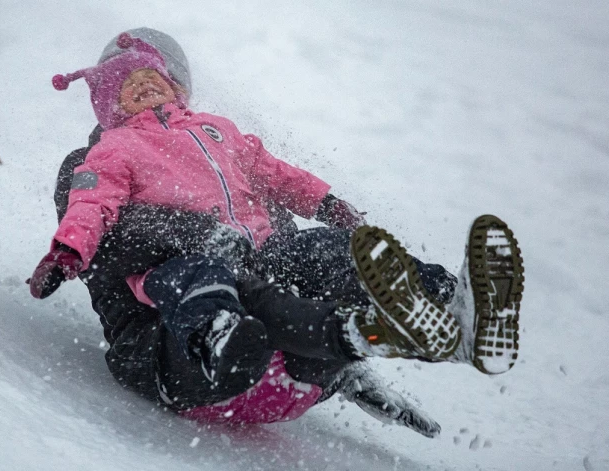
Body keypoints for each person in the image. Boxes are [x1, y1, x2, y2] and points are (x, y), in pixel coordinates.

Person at [29, 30, 524, 434]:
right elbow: (104, 236)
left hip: (293, 362)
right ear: (105, 101)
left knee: (320, 251)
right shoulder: (96, 159)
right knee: (230, 283)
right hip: (179, 358)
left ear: (178, 87)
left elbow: (278, 187)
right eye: (127, 84)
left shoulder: (218, 141)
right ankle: (229, 336)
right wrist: (69, 254)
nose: (142, 88)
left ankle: (448, 304)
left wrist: (328, 208)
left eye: (153, 77)